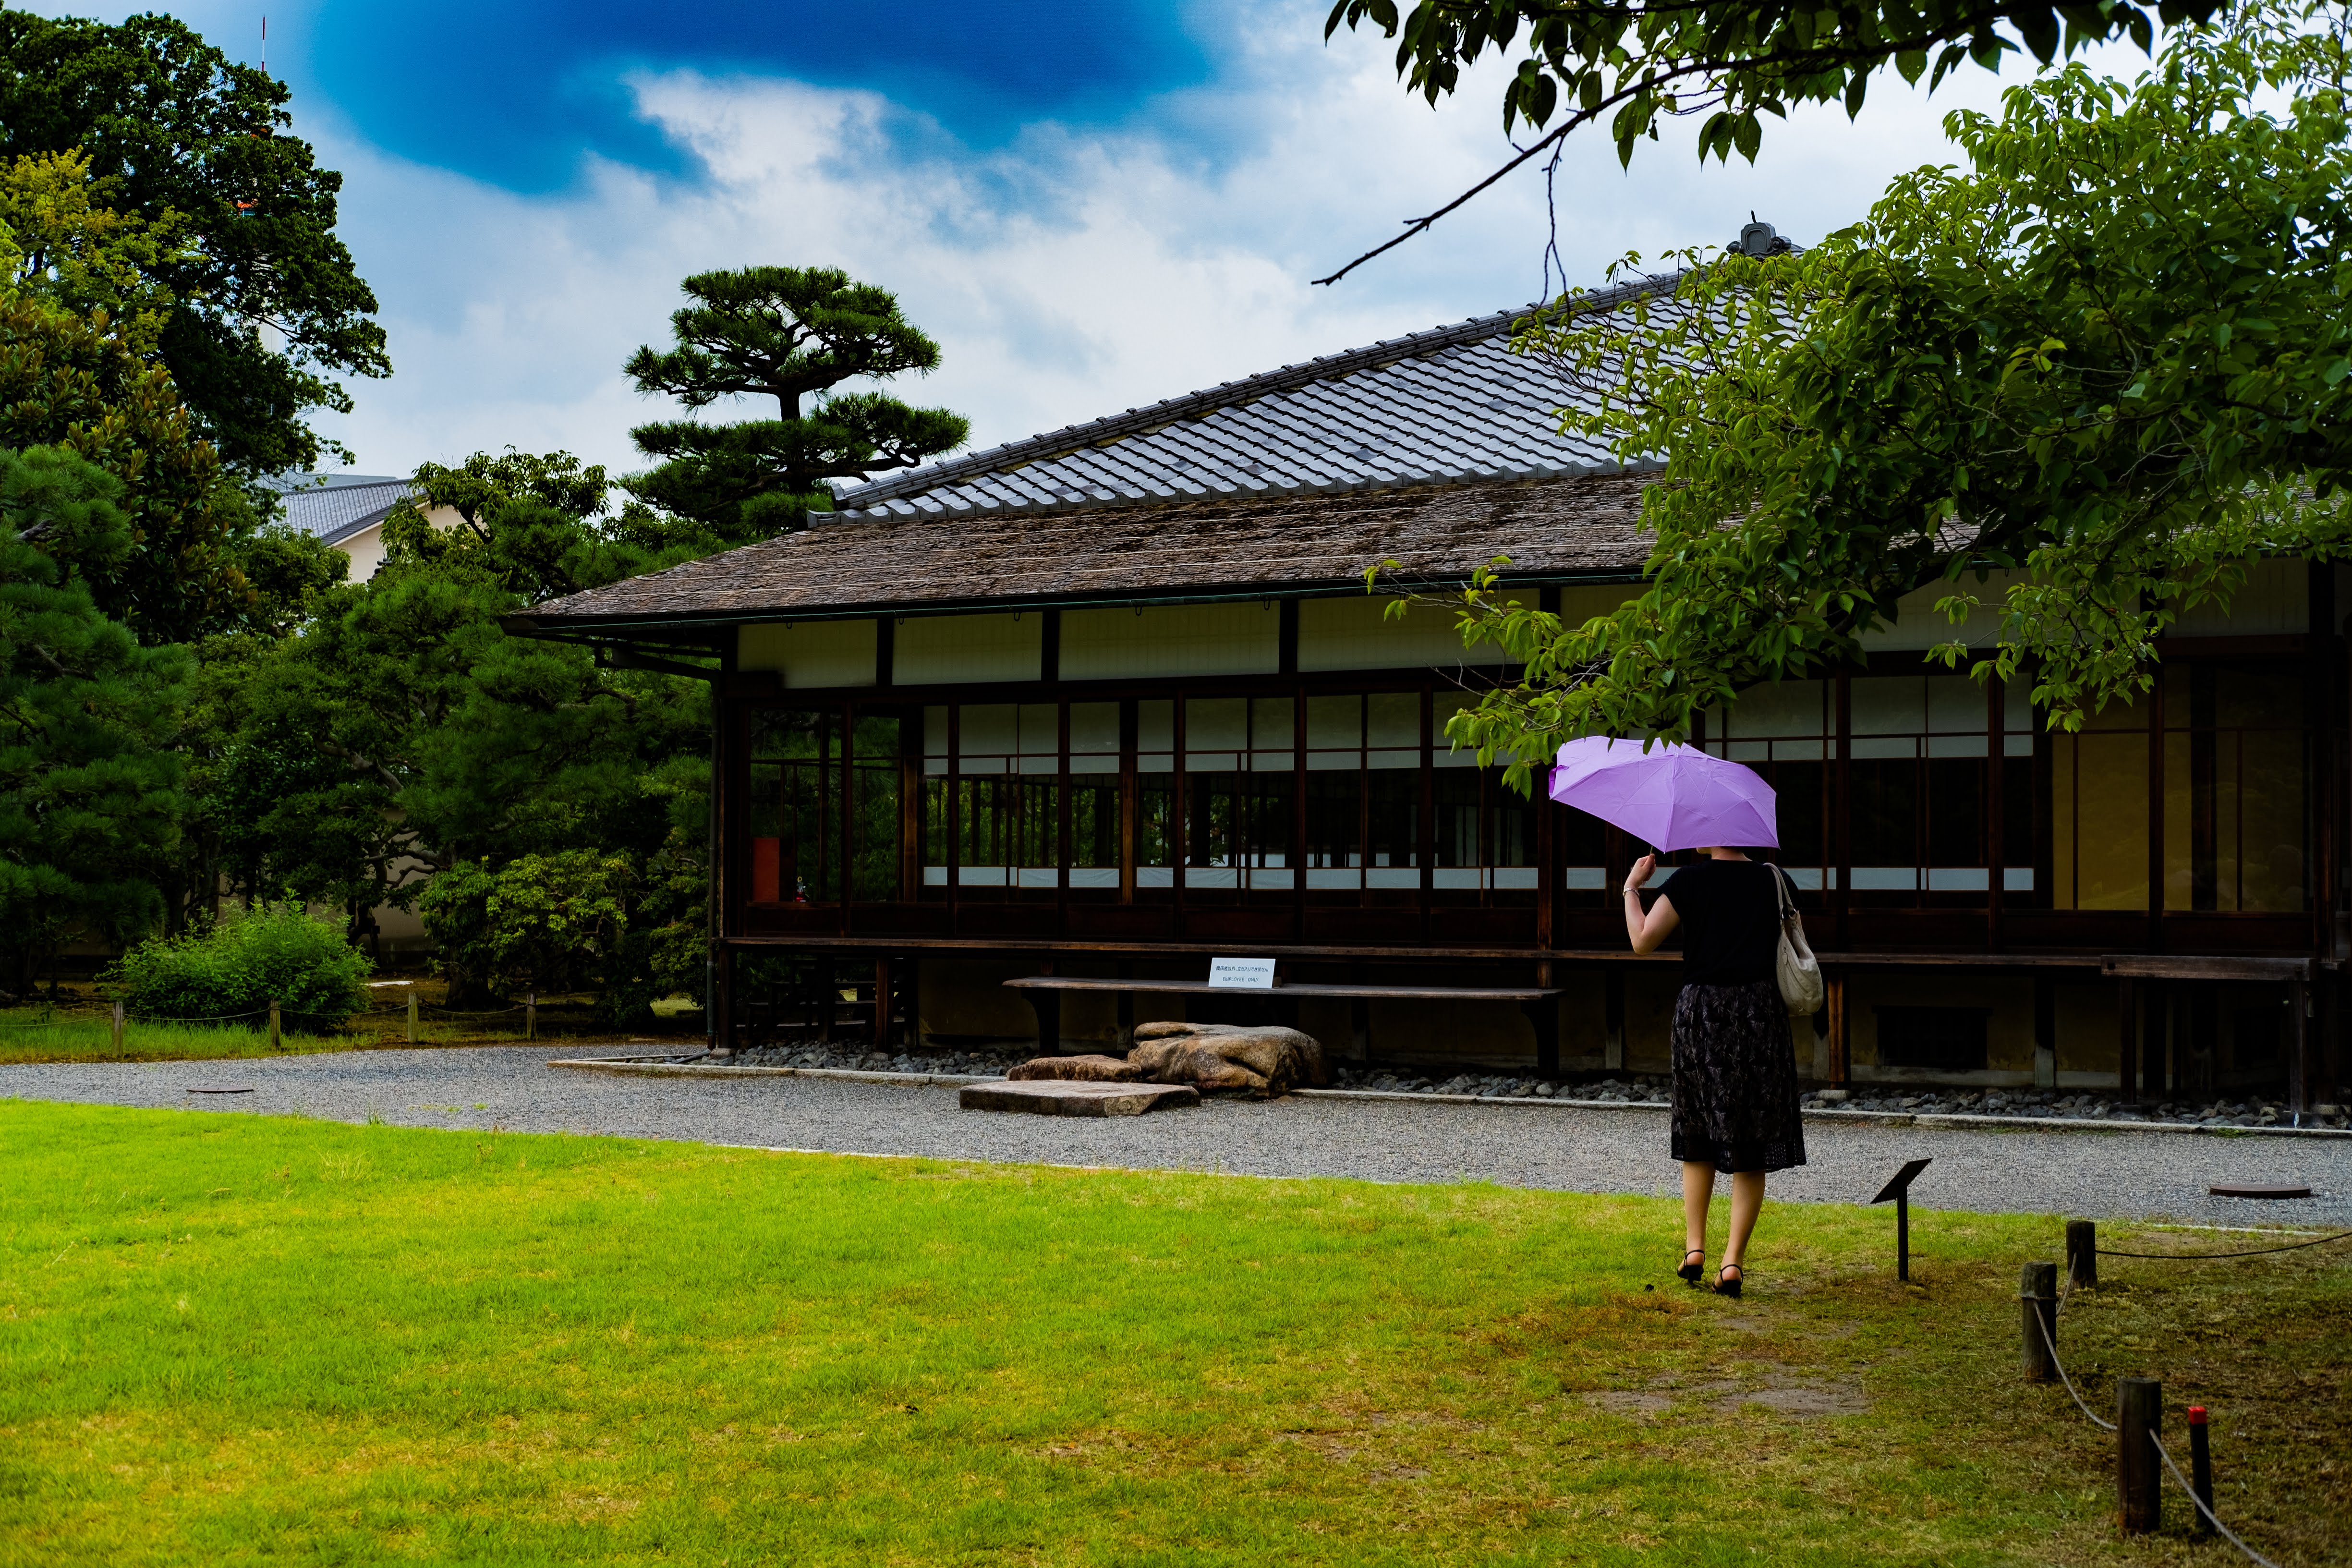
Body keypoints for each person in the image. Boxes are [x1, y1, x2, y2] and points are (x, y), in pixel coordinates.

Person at [1621, 846, 1807, 1298]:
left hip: (1702, 1014)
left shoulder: (1688, 881)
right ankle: (1732, 1263)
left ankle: (1694, 1249)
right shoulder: (1774, 879)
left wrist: (1631, 887)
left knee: (1697, 1128)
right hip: (1759, 1014)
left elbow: (1642, 940)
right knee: (1753, 1136)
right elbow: (1791, 943)